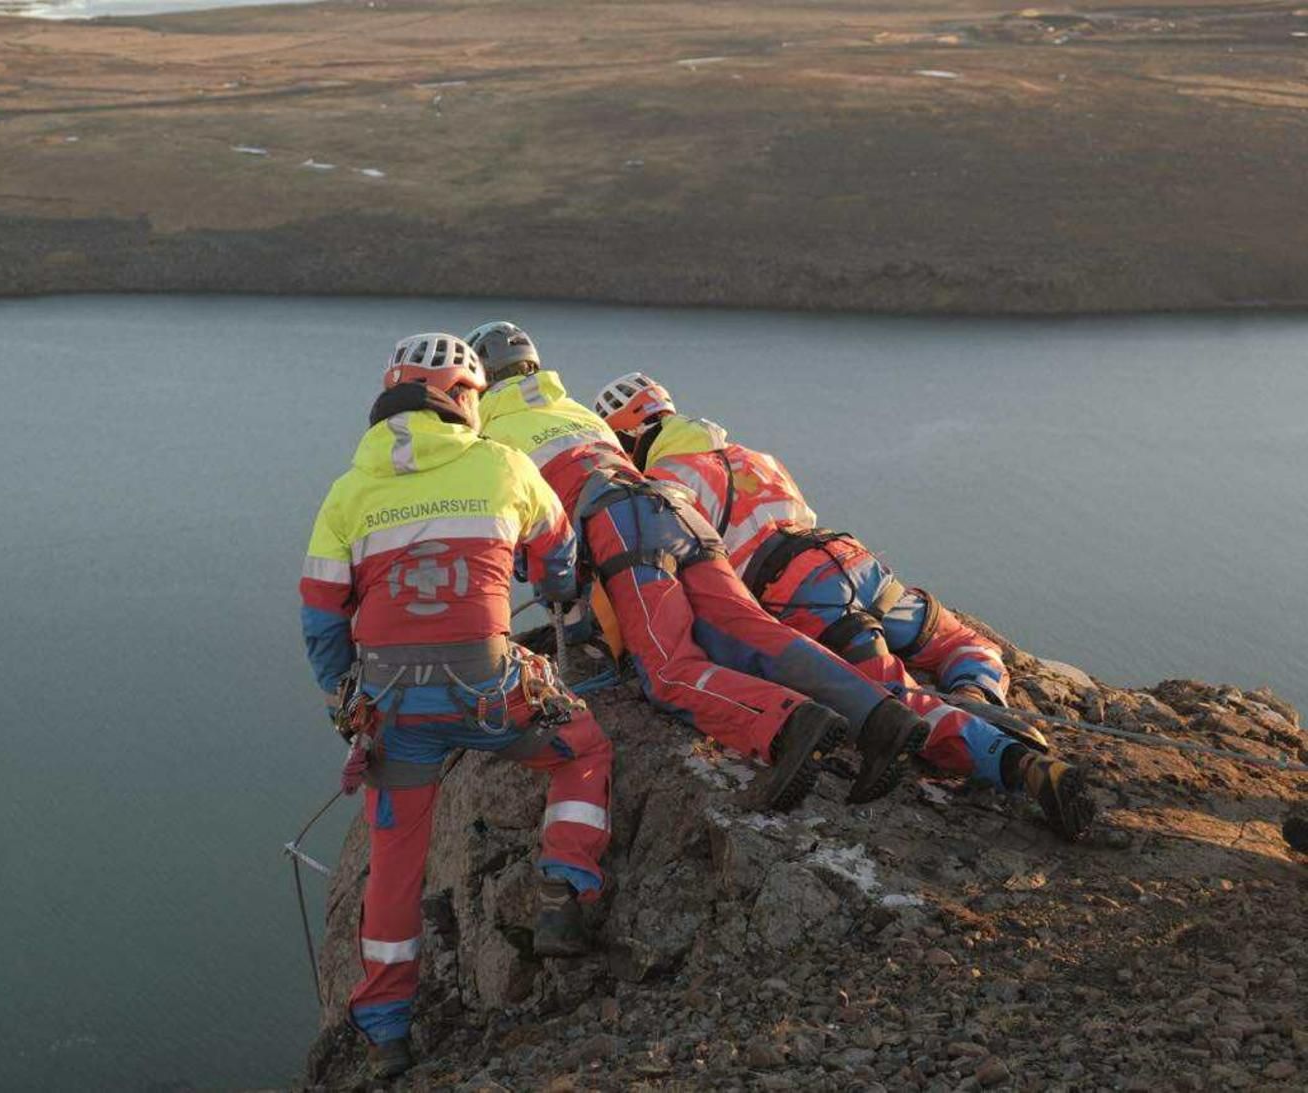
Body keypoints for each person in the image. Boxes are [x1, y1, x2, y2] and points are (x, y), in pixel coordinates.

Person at [590, 371, 1096, 840]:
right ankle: (980, 694)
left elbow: (666, 570)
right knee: (961, 642)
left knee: (890, 702)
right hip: (852, 561)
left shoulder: (663, 483)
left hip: (799, 594)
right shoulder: (757, 458)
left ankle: (1013, 761)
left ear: (629, 437)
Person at [300, 333, 613, 1080]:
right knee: (585, 747)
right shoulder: (504, 464)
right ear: (459, 395)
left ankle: (385, 1034)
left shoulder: (348, 490)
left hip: (395, 711)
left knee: (394, 868)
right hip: (493, 693)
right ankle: (564, 889)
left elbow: (320, 620)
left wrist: (347, 697)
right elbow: (560, 560)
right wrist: (554, 590)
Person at [466, 321, 935, 812]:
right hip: (675, 508)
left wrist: (559, 593)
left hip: (619, 524)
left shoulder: (491, 440)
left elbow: (538, 543)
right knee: (752, 628)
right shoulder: (574, 410)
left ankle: (786, 723)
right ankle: (881, 718)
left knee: (669, 670)